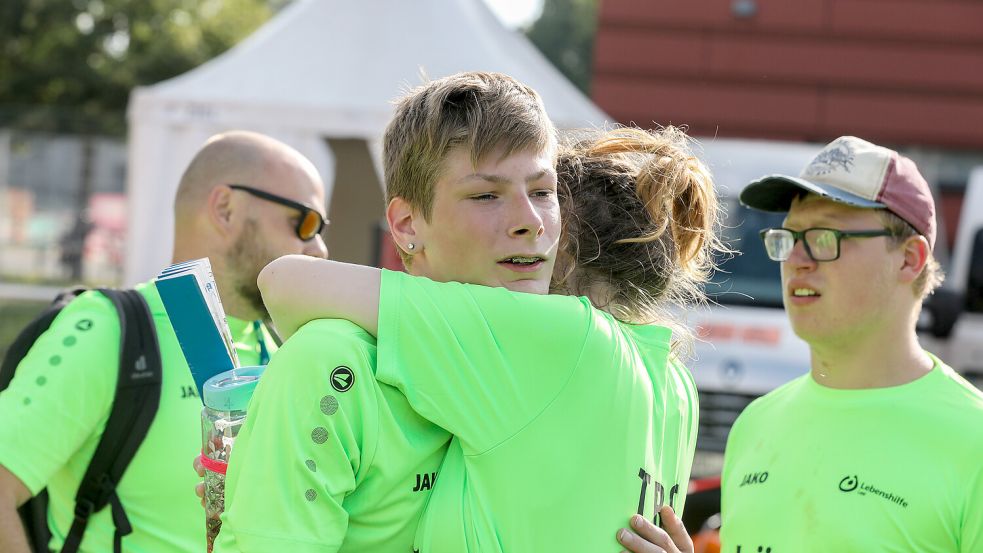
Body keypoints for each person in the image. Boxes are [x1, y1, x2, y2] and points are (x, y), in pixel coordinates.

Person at [254, 121, 725, 551]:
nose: (524, 231)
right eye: (488, 199)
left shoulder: (551, 335)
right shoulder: (676, 384)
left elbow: (284, 281)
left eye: (541, 197)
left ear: (558, 245)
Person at [0, 130, 328, 553]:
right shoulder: (109, 330)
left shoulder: (281, 350)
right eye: (305, 222)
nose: (319, 247)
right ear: (225, 209)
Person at [720, 136, 983, 551]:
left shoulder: (974, 441)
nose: (796, 260)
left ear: (909, 259)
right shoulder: (754, 424)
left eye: (825, 237)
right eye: (787, 238)